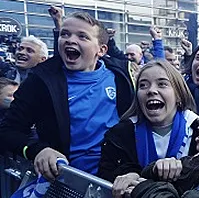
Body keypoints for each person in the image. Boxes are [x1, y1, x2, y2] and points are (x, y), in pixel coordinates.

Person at [0, 11, 135, 180]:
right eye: (65, 34)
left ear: (101, 50)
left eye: (82, 36)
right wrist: (39, 150)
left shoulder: (122, 75)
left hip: (118, 181)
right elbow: (8, 130)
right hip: (68, 183)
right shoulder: (41, 80)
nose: (70, 40)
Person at [98, 61, 199, 198]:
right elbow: (105, 176)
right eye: (143, 85)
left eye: (162, 84)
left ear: (179, 95)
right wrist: (131, 175)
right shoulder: (119, 135)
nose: (151, 90)